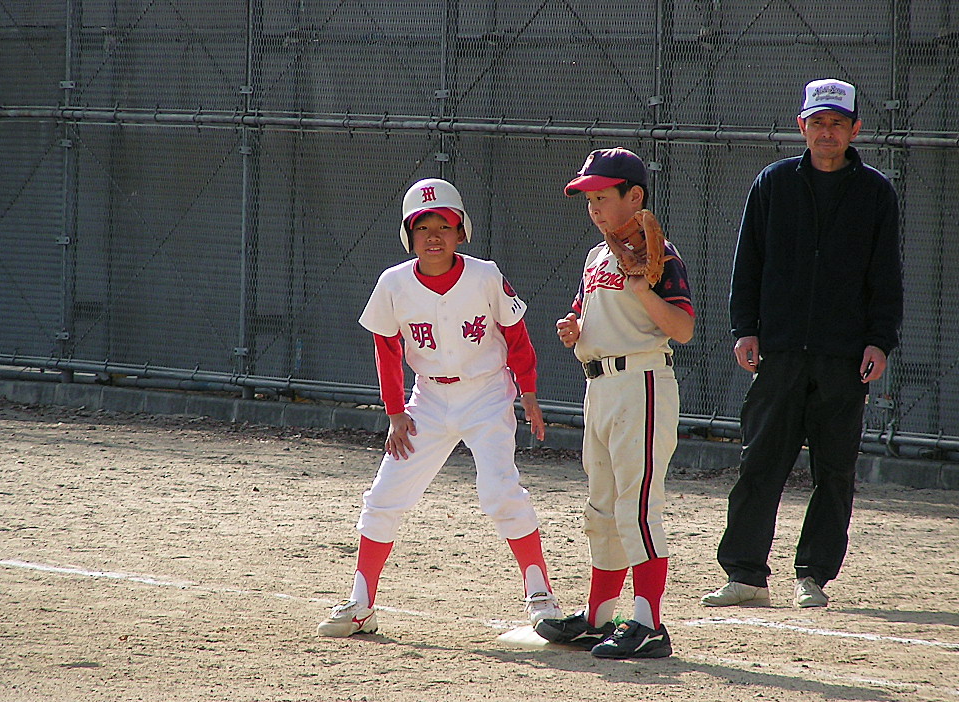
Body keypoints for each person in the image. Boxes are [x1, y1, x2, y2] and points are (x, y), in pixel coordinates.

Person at [317, 177, 563, 638]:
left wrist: (527, 391)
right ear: (408, 235)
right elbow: (386, 349)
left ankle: (541, 596)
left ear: (461, 231)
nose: (433, 236)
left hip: (486, 393)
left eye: (444, 226)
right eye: (422, 227)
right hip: (427, 398)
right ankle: (361, 604)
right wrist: (395, 412)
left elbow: (516, 335)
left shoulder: (485, 275)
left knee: (500, 491)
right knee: (384, 495)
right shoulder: (393, 283)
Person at [701, 78, 904, 610]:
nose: (826, 132)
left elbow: (886, 275)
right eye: (817, 122)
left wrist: (879, 341)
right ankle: (745, 574)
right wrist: (744, 328)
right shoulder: (773, 183)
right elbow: (747, 262)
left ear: (855, 129)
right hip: (780, 350)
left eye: (837, 123)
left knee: (834, 471)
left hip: (844, 356)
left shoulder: (876, 193)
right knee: (760, 463)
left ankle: (813, 575)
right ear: (801, 126)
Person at [534, 148, 695, 658]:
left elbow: (683, 329)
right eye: (589, 199)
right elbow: (585, 314)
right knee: (601, 507)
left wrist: (642, 288)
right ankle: (599, 616)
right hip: (599, 387)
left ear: (635, 196)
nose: (595, 207)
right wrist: (573, 328)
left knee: (637, 505)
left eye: (603, 196)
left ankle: (649, 622)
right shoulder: (595, 257)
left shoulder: (661, 254)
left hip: (641, 383)